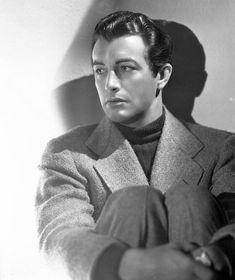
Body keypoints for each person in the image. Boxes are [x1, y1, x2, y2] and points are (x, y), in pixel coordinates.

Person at [36, 11, 235, 280]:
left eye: (125, 68)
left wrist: (221, 251)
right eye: (100, 70)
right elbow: (59, 236)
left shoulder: (221, 147)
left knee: (190, 198)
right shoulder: (66, 153)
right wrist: (130, 263)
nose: (110, 84)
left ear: (162, 75)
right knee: (134, 200)